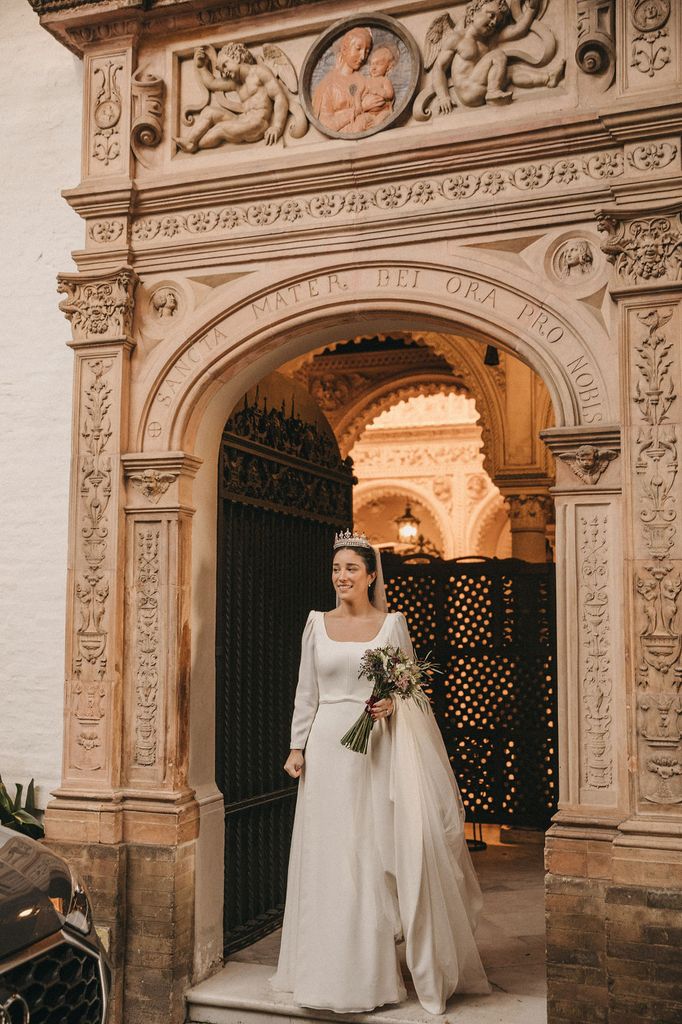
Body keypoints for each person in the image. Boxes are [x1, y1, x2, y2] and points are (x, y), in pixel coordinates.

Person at [271, 530, 490, 1015]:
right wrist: (296, 746)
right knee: (327, 853)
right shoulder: (316, 624)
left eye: (351, 568)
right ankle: (319, 969)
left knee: (369, 851)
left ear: (371, 575)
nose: (341, 577)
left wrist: (394, 702)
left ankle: (370, 972)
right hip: (328, 746)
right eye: (335, 569)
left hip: (374, 749)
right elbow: (306, 691)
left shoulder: (392, 625)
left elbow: (413, 694)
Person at [311, 27, 373, 133]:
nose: (363, 57)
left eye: (367, 52)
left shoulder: (362, 81)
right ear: (344, 49)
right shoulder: (328, 84)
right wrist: (360, 108)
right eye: (358, 49)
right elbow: (326, 125)